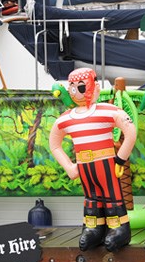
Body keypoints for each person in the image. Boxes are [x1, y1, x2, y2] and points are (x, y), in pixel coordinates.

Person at [49, 68, 137, 251]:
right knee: (91, 198)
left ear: (95, 87)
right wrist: (70, 167)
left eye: (81, 87)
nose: (76, 92)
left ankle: (119, 229)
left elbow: (130, 131)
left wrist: (120, 159)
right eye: (72, 88)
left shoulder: (108, 111)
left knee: (112, 195)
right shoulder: (66, 119)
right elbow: (54, 144)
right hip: (84, 167)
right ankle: (92, 229)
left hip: (106, 164)